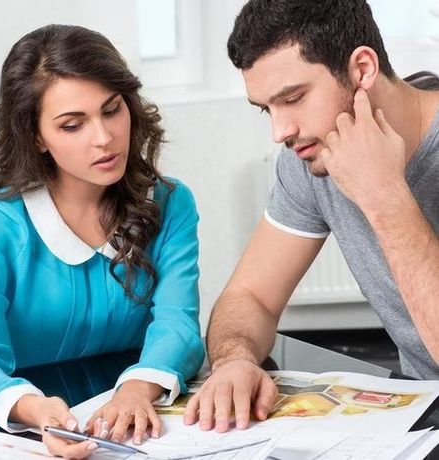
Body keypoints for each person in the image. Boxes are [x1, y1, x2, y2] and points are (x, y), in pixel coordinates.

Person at [183, 0, 439, 434]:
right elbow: (251, 295)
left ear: (362, 69)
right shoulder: (310, 156)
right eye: (267, 108)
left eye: (294, 98)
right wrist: (235, 361)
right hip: (423, 409)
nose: (279, 131)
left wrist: (385, 195)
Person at [0, 24, 204, 459]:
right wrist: (34, 410)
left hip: (130, 423)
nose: (104, 138)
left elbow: (178, 324)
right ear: (36, 136)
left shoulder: (170, 202)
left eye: (112, 109)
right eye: (72, 125)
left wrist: (136, 390)